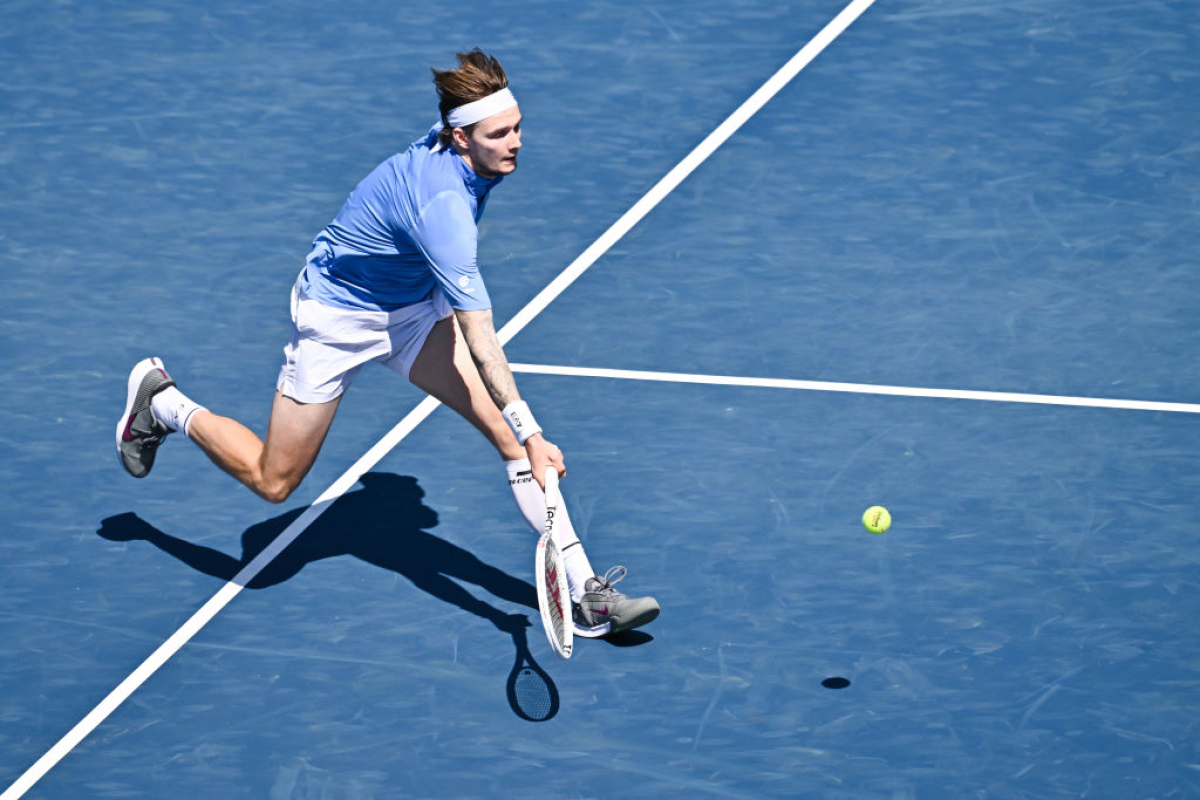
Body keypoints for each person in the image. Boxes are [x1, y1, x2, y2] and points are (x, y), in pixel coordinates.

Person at [115, 49, 658, 637]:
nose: (516, 142)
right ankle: (163, 403)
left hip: (412, 311)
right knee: (273, 483)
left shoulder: (458, 140)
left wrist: (521, 436)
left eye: (518, 127)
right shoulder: (443, 209)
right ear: (460, 138)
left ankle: (587, 593)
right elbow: (481, 336)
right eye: (499, 133)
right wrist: (534, 429)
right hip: (336, 318)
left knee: (508, 440)